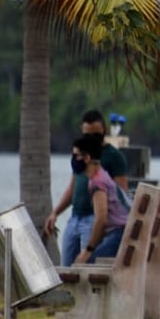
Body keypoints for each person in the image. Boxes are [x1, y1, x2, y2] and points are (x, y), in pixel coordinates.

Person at [44, 109, 129, 266]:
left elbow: (120, 195)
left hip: (95, 219)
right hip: (75, 217)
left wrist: (90, 247)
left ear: (104, 130)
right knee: (68, 268)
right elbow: (72, 188)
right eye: (87, 135)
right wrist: (55, 212)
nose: (91, 139)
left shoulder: (108, 164)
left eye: (95, 135)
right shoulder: (83, 159)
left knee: (85, 266)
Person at [68, 133, 129, 262]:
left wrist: (88, 250)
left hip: (119, 234)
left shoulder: (97, 182)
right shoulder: (102, 175)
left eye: (76, 155)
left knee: (86, 263)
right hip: (122, 232)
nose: (73, 159)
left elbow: (102, 219)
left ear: (87, 158)